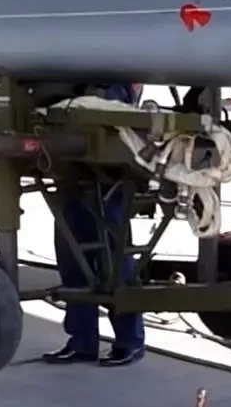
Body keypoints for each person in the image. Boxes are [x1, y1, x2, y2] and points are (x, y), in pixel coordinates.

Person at [43, 82, 146, 367]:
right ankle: (82, 341)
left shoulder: (117, 80)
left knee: (114, 257)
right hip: (73, 167)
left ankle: (129, 340)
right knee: (72, 255)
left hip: (109, 167)